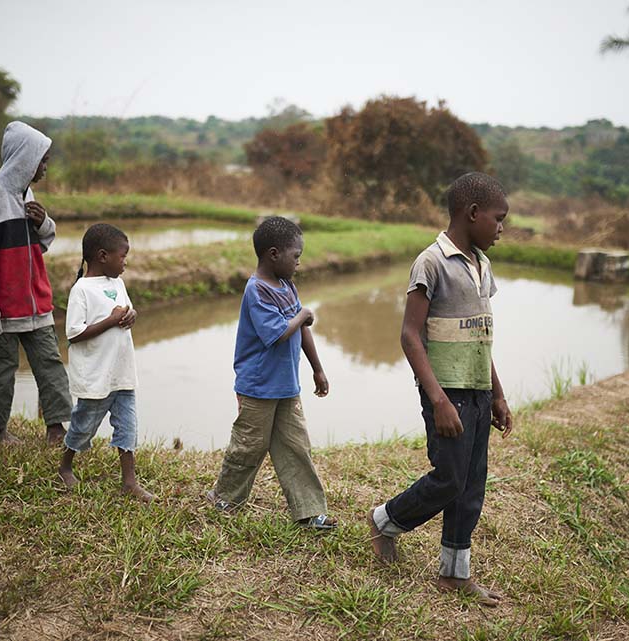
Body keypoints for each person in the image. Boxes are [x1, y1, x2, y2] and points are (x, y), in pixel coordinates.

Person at [367, 172, 514, 605]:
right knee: (449, 478)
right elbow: (410, 336)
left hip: (478, 391)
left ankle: (454, 574)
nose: (502, 227)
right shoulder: (430, 262)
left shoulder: (482, 265)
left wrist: (499, 394)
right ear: (472, 214)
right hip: (445, 393)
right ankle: (384, 520)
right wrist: (438, 399)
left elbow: (481, 339)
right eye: (498, 218)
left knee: (471, 485)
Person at [207, 216, 337, 529]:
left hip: (287, 386)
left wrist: (317, 369)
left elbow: (301, 330)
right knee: (249, 445)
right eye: (296, 256)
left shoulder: (287, 286)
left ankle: (309, 511)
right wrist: (303, 314)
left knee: (296, 447)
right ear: (274, 254)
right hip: (258, 387)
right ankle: (224, 498)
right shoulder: (257, 291)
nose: (298, 263)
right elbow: (278, 333)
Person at [0, 121, 71, 445]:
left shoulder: (29, 196)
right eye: (43, 160)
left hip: (36, 301)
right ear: (25, 158)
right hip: (3, 306)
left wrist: (43, 221)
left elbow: (43, 243)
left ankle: (56, 428)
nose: (45, 167)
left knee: (50, 364)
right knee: (3, 368)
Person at [58, 223, 155, 503]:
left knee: (127, 427)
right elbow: (74, 334)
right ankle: (65, 465)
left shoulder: (118, 284)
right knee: (83, 426)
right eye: (122, 257)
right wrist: (111, 320)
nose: (125, 263)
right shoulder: (82, 290)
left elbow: (125, 309)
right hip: (95, 376)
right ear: (102, 256)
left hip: (121, 372)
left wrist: (130, 315)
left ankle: (129, 482)